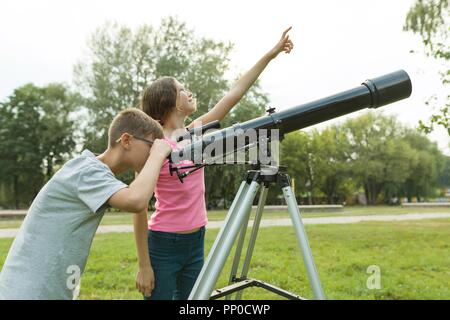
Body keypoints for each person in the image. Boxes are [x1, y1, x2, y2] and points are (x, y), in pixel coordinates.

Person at [135, 27, 294, 300]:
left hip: (196, 240)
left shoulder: (197, 131)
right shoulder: (151, 147)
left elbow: (234, 93)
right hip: (163, 243)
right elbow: (138, 208)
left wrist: (271, 54)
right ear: (169, 102)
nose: (189, 91)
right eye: (182, 89)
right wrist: (143, 265)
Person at [0, 108, 172, 300]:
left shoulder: (93, 171)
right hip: (31, 292)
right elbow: (136, 200)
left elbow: (135, 194)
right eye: (151, 145)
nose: (155, 151)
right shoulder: (86, 171)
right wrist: (158, 154)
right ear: (126, 140)